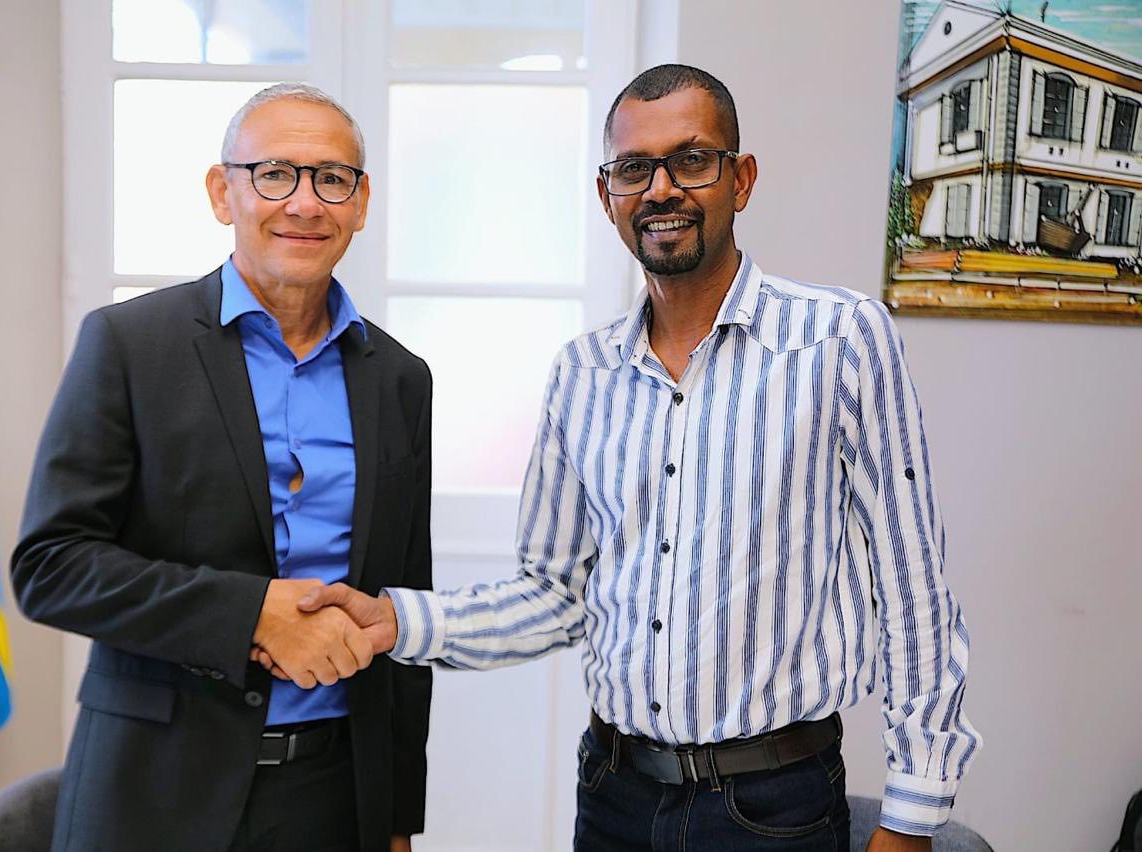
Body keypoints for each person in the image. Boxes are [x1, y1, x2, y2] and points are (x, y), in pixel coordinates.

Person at [293, 65, 981, 851]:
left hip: (773, 809)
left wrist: (912, 814)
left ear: (741, 179)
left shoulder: (840, 339)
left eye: (691, 160)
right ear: (607, 194)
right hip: (613, 798)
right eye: (634, 168)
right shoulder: (582, 374)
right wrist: (395, 619)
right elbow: (555, 594)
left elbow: (914, 589)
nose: (661, 189)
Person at [13, 83, 432, 852]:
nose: (304, 203)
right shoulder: (129, 345)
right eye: (274, 174)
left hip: (335, 797)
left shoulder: (400, 379)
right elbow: (52, 566)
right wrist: (250, 614)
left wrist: (398, 818)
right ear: (221, 191)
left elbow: (404, 607)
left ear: (361, 202)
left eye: (331, 178)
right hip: (155, 793)